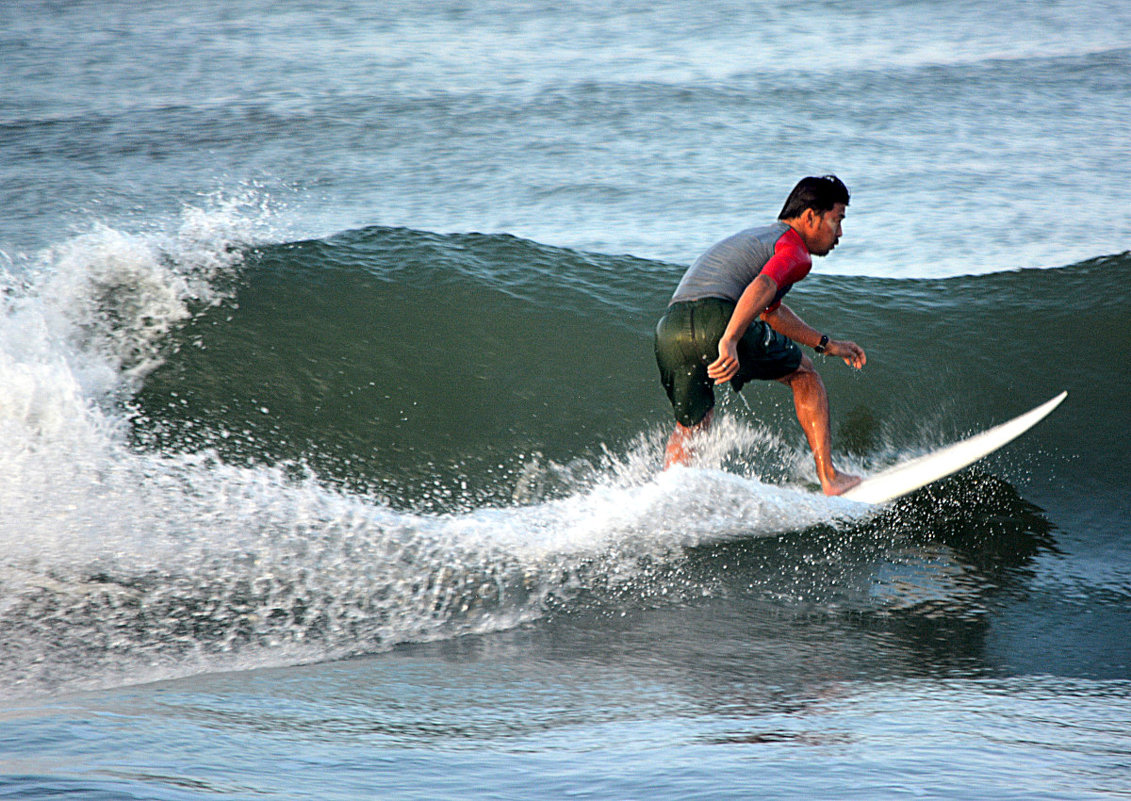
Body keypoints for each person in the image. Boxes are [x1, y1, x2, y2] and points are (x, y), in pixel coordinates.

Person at [654, 175, 866, 496]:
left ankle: (670, 497)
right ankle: (830, 477)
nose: (839, 233)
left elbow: (770, 310)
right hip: (719, 317)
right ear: (810, 216)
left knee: (691, 425)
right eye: (836, 220)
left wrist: (827, 344)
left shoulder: (754, 237)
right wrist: (729, 339)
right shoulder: (795, 250)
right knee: (804, 374)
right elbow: (764, 286)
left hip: (671, 328)